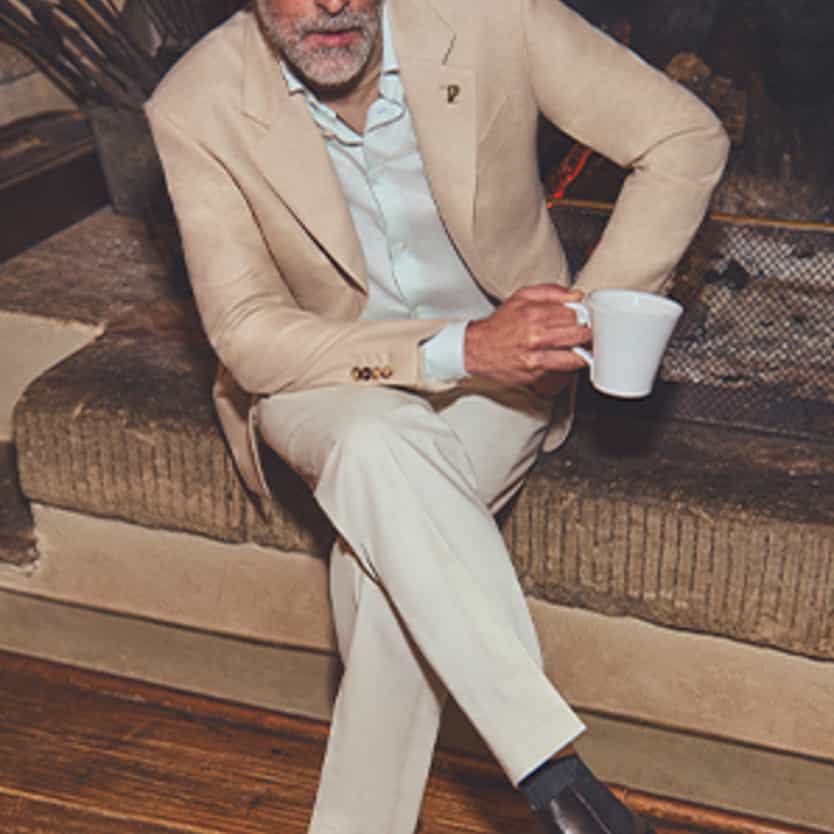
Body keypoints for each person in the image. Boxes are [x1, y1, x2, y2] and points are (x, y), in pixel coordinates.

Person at [146, 1, 728, 832]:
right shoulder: (195, 102)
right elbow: (246, 334)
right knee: (374, 435)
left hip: (504, 379)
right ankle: (553, 774)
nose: (332, 2)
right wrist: (461, 348)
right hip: (323, 376)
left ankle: (547, 800)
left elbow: (683, 138)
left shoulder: (492, 16)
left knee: (380, 564)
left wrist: (577, 320)